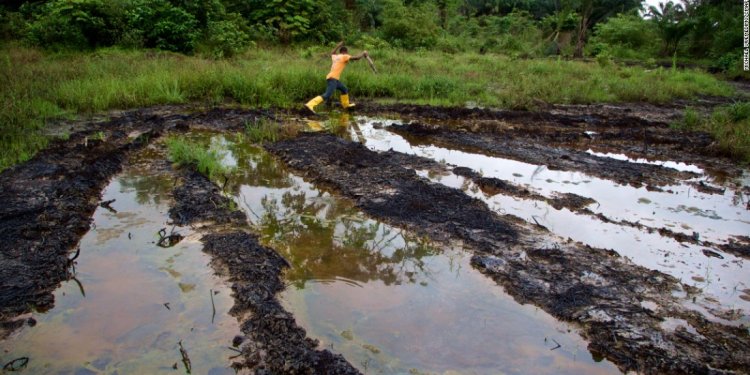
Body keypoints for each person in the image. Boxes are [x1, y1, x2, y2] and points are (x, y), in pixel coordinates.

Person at [305, 41, 368, 114]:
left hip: (333, 79)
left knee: (344, 89)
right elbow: (356, 58)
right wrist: (363, 53)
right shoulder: (344, 56)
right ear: (345, 52)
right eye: (347, 53)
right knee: (327, 95)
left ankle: (346, 105)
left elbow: (332, 52)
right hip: (333, 79)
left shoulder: (336, 57)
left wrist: (338, 45)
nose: (348, 55)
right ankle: (310, 104)